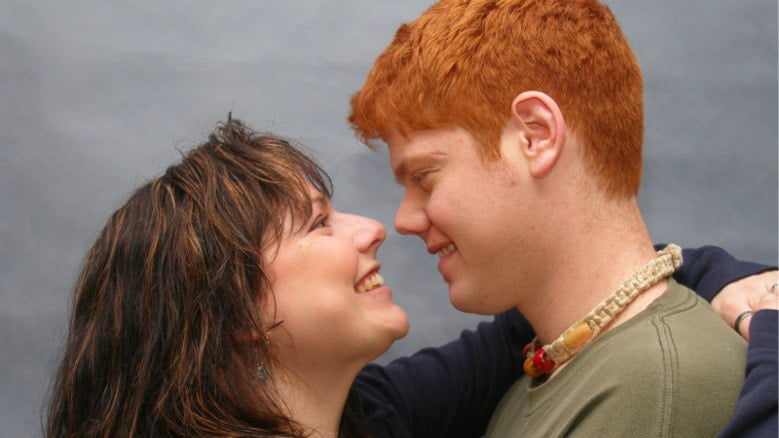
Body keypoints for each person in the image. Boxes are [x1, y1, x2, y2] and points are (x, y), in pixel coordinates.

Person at [46, 117, 774, 437]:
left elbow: (576, 293)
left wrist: (730, 281)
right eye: (318, 223)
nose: (374, 227)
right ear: (236, 312)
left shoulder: (374, 417)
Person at [348, 0, 778, 436]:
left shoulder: (651, 383)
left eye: (424, 177)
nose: (402, 220)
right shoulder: (550, 367)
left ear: (536, 136)